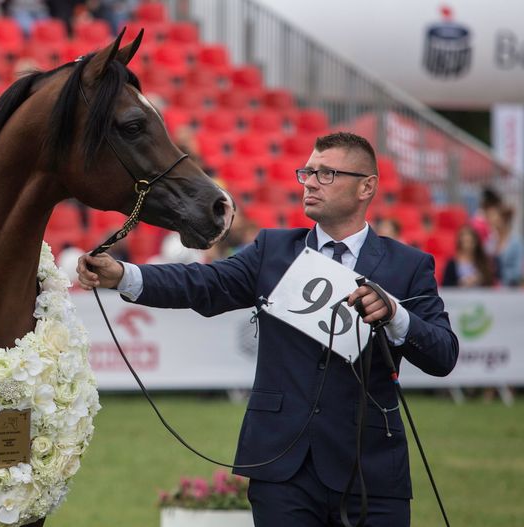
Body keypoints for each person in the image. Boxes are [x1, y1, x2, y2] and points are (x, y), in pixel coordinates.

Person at [77, 132, 458, 526]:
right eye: (307, 172)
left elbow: (444, 355)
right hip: (281, 467)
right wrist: (124, 275)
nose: (309, 182)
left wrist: (397, 315)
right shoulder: (273, 250)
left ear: (366, 187)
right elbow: (204, 285)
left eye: (326, 173)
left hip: (371, 467)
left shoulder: (409, 265)